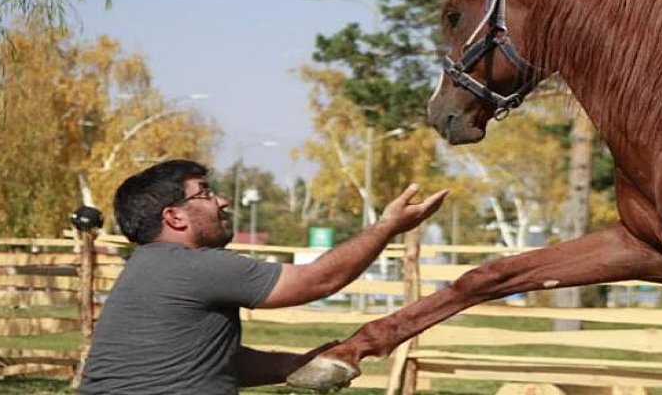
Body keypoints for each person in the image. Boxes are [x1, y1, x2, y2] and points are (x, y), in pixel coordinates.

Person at [79, 159, 448, 394]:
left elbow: (219, 363)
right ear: (175, 217)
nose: (222, 201)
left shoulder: (148, 267)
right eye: (204, 193)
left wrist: (296, 364)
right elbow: (319, 281)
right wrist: (387, 227)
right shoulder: (195, 266)